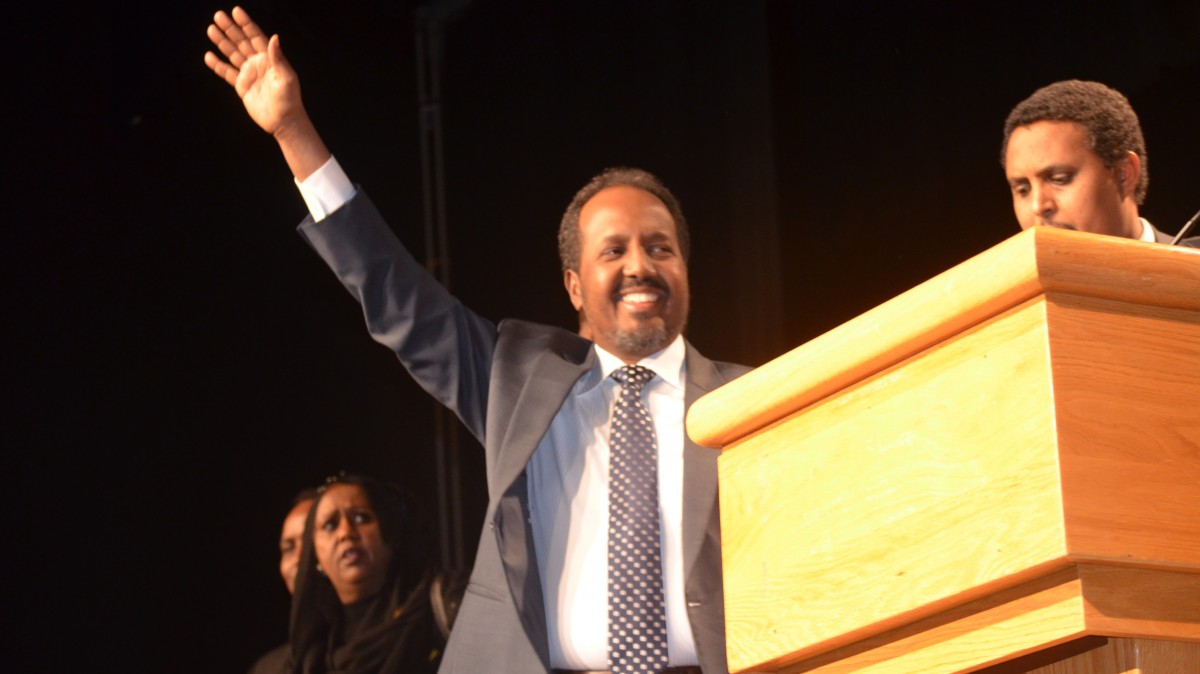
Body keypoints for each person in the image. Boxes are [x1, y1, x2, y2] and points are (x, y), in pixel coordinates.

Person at [205, 7, 750, 673]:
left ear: (685, 270)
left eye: (659, 247)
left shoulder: (752, 401)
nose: (640, 265)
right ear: (575, 285)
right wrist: (294, 131)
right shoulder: (519, 385)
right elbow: (395, 293)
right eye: (615, 250)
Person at [1001, 79, 1198, 247]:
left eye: (1059, 179)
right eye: (1023, 190)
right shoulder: (1000, 291)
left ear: (1124, 174)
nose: (1038, 205)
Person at [288, 473, 443, 674]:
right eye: (330, 525)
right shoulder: (312, 658)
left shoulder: (437, 609)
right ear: (315, 556)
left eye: (361, 517)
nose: (345, 532)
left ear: (390, 533)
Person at [249, 489, 317, 674]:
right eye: (289, 548)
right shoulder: (268, 668)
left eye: (311, 542)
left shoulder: (391, 648)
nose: (298, 559)